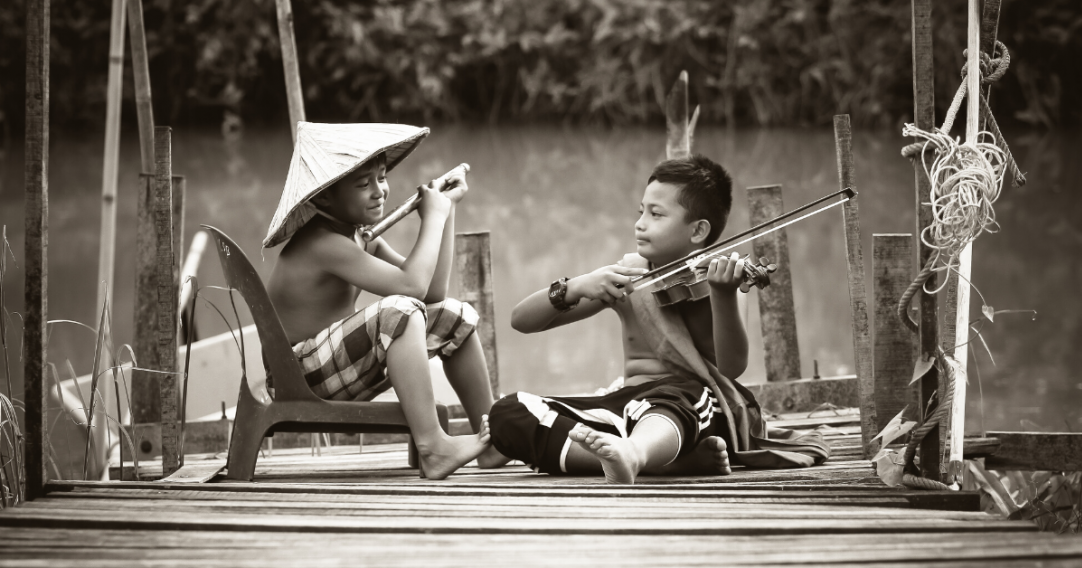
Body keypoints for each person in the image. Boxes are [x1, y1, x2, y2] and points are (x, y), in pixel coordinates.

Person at [487, 154, 829, 484]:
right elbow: (522, 320)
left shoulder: (718, 281)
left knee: (680, 396)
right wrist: (575, 286)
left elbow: (732, 367)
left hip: (694, 408)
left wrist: (724, 296)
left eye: (656, 214)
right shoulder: (627, 276)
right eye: (641, 212)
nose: (640, 223)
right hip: (628, 408)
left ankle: (636, 454)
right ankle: (653, 462)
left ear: (697, 232)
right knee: (508, 413)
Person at [263, 122, 506, 479]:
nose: (379, 191)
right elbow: (411, 289)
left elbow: (432, 294)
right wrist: (432, 219)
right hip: (299, 375)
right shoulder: (320, 243)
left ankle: (496, 441)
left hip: (335, 367)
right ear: (325, 197)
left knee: (454, 315)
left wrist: (446, 211)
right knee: (400, 312)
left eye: (381, 178)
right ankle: (434, 446)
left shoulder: (360, 237)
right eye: (363, 184)